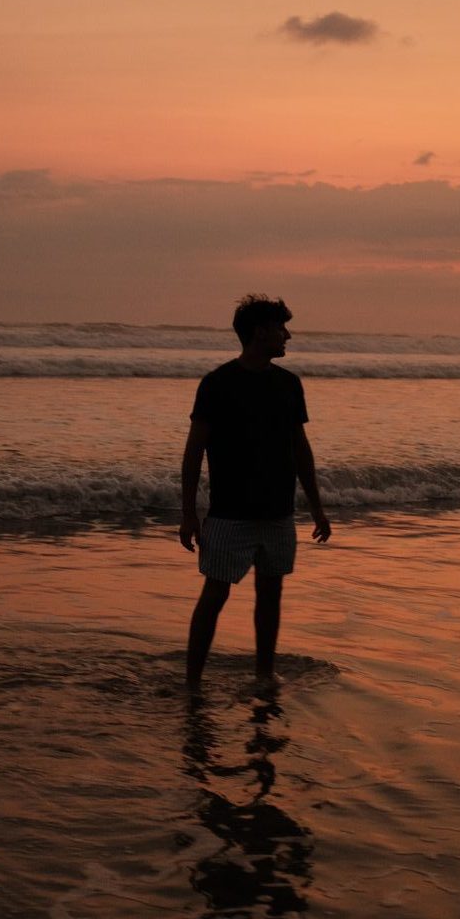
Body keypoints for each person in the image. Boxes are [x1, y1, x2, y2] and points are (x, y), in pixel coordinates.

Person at [179, 294, 331, 687]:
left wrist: (316, 508)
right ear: (260, 332)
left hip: (278, 511)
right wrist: (188, 513)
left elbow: (300, 449)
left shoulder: (288, 385)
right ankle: (192, 681)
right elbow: (194, 450)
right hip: (230, 513)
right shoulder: (217, 384)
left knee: (270, 595)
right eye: (281, 328)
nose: (288, 336)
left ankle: (264, 675)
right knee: (215, 595)